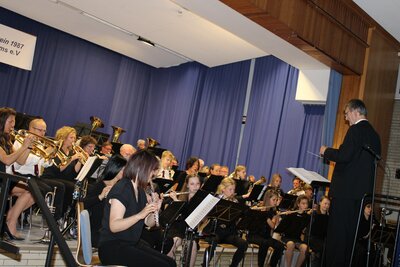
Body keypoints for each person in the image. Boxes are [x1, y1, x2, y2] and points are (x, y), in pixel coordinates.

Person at [320, 99, 381, 266]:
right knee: (350, 240)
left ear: (355, 111)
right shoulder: (375, 136)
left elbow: (344, 156)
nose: (346, 118)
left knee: (337, 238)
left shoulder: (355, 130)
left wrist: (327, 151)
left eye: (346, 114)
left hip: (344, 193)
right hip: (360, 197)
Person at [98, 150, 176, 267]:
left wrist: (156, 210)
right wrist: (140, 214)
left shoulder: (140, 190)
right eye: (152, 170)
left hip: (130, 243)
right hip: (112, 246)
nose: (153, 174)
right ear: (141, 168)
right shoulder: (122, 188)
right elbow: (114, 226)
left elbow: (148, 223)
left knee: (170, 263)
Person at [0, 107, 34, 240]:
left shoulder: (7, 140)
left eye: (14, 122)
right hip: (2, 178)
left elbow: (20, 161)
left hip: (6, 178)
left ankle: (10, 220)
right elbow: (7, 160)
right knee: (30, 191)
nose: (13, 125)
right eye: (10, 122)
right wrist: (24, 146)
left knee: (33, 192)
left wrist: (29, 147)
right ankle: (11, 223)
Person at [83, 154, 126, 248]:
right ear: (116, 168)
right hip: (98, 232)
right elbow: (83, 204)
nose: (125, 172)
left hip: (112, 230)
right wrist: (100, 196)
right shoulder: (100, 185)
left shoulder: (120, 187)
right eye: (123, 169)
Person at [202, 177, 248, 267]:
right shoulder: (215, 199)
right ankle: (205, 265)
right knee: (213, 241)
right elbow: (206, 216)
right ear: (223, 189)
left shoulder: (235, 202)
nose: (232, 192)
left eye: (233, 189)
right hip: (214, 231)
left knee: (243, 243)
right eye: (230, 189)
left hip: (228, 233)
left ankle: (233, 265)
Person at [166, 175, 201, 267]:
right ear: (188, 185)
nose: (195, 187)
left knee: (193, 245)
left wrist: (176, 200)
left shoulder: (200, 199)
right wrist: (166, 199)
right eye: (192, 184)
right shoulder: (181, 195)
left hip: (190, 230)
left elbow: (188, 214)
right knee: (173, 243)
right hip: (177, 228)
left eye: (197, 184)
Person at [247, 189, 285, 267]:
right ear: (268, 199)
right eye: (273, 200)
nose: (275, 202)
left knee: (280, 246)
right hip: (254, 235)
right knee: (265, 243)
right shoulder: (259, 208)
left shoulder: (274, 212)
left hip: (266, 237)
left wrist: (268, 216)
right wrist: (256, 211)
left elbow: (273, 226)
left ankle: (272, 265)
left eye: (276, 200)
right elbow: (250, 223)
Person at [274, 195, 310, 267]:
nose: (305, 205)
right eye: (303, 203)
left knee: (304, 248)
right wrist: (285, 216)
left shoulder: (307, 217)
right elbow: (280, 229)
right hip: (287, 237)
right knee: (291, 244)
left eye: (306, 204)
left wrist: (311, 216)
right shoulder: (291, 214)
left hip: (297, 239)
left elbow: (305, 229)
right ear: (298, 204)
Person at [308, 196, 330, 267]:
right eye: (325, 203)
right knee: (323, 248)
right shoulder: (314, 214)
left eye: (328, 204)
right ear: (320, 203)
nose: (326, 206)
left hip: (323, 239)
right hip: (313, 238)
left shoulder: (329, 217)